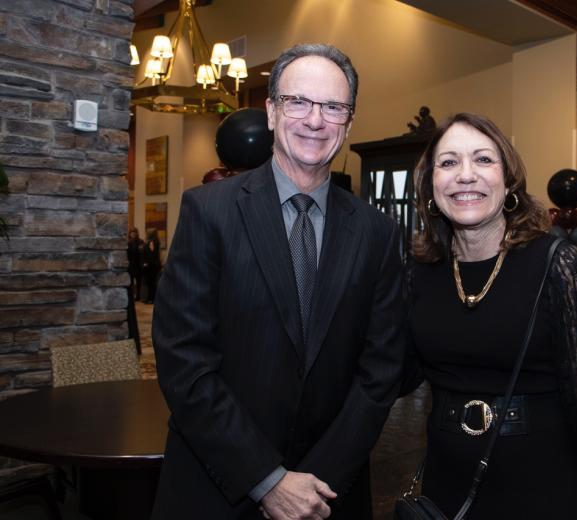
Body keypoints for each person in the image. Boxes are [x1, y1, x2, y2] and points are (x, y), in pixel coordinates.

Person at [151, 43, 405, 520]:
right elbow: (185, 363)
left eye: (333, 107)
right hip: (219, 488)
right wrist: (268, 482)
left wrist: (313, 485)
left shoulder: (378, 233)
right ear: (270, 112)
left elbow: (381, 372)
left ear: (349, 124)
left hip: (331, 495)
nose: (315, 119)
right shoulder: (209, 212)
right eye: (299, 102)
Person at [403, 113, 577, 519]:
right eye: (449, 162)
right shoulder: (422, 271)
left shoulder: (559, 265)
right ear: (429, 184)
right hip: (446, 486)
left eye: (484, 160)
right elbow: (399, 372)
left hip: (545, 486)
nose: (466, 175)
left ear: (508, 181)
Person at [142, 229, 161, 304]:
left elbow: (154, 255)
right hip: (150, 266)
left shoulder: (154, 243)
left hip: (153, 266)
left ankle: (152, 298)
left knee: (152, 283)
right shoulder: (150, 243)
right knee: (150, 283)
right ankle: (150, 298)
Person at [127, 227, 143, 301]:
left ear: (137, 233)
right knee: (131, 282)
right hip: (130, 264)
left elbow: (142, 253)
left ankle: (138, 295)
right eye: (132, 232)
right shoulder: (128, 242)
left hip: (138, 264)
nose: (133, 234)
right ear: (130, 234)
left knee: (139, 281)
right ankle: (131, 295)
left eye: (134, 232)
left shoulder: (140, 241)